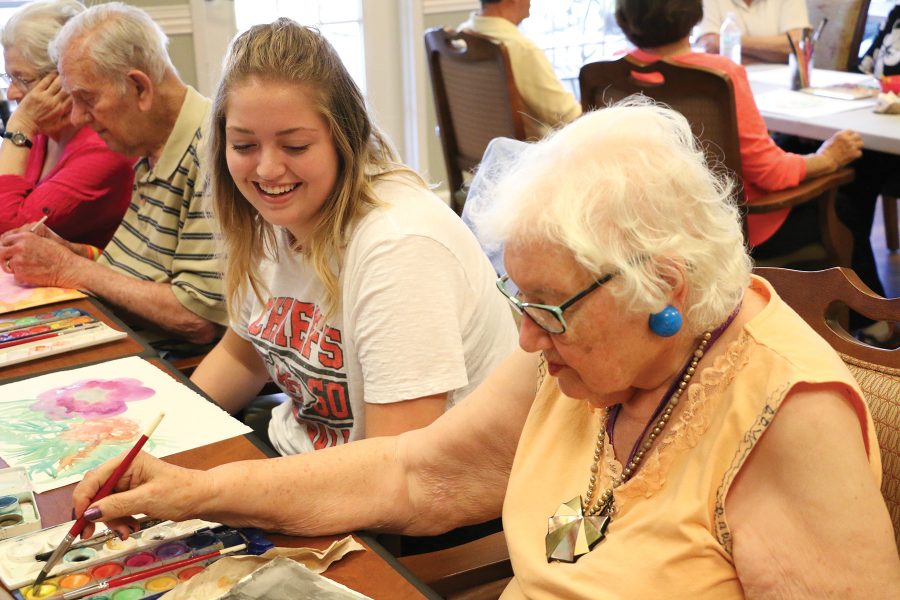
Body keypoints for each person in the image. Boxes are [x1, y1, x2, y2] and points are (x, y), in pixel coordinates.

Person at [72, 102, 900, 597]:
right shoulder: (582, 367)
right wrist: (196, 489)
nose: (528, 338)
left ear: (665, 289)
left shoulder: (787, 418)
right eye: (520, 301)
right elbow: (412, 471)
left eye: (550, 310)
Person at [186, 19, 517, 454]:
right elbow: (240, 358)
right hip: (308, 462)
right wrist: (166, 440)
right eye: (244, 146)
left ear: (345, 139)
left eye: (296, 146)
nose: (266, 170)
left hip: (390, 495)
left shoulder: (401, 246)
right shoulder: (278, 216)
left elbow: (395, 469)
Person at [0, 2, 226, 357]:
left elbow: (195, 317)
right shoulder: (149, 146)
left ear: (139, 87)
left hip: (166, 364)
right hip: (119, 337)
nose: (77, 116)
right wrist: (73, 253)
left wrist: (70, 268)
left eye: (86, 99)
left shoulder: (212, 154)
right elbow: (145, 273)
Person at [615, 0, 865, 253]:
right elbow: (770, 173)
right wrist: (828, 158)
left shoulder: (610, 72)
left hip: (649, 233)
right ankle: (866, 292)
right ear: (694, 13)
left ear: (623, 17)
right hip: (730, 229)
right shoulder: (719, 74)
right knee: (848, 205)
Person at [0, 0, 132, 248]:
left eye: (23, 79)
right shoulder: (45, 130)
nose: (11, 93)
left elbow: (11, 234)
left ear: (65, 77)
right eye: (10, 77)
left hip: (92, 284)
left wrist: (19, 128)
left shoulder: (104, 147)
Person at [459, 0, 581, 139]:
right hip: (529, 156)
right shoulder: (521, 50)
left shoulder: (461, 38)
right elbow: (568, 118)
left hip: (487, 156)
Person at [696, 0, 809, 63]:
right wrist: (773, 53)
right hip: (727, 84)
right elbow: (710, 45)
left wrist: (730, 45)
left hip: (780, 88)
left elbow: (797, 46)